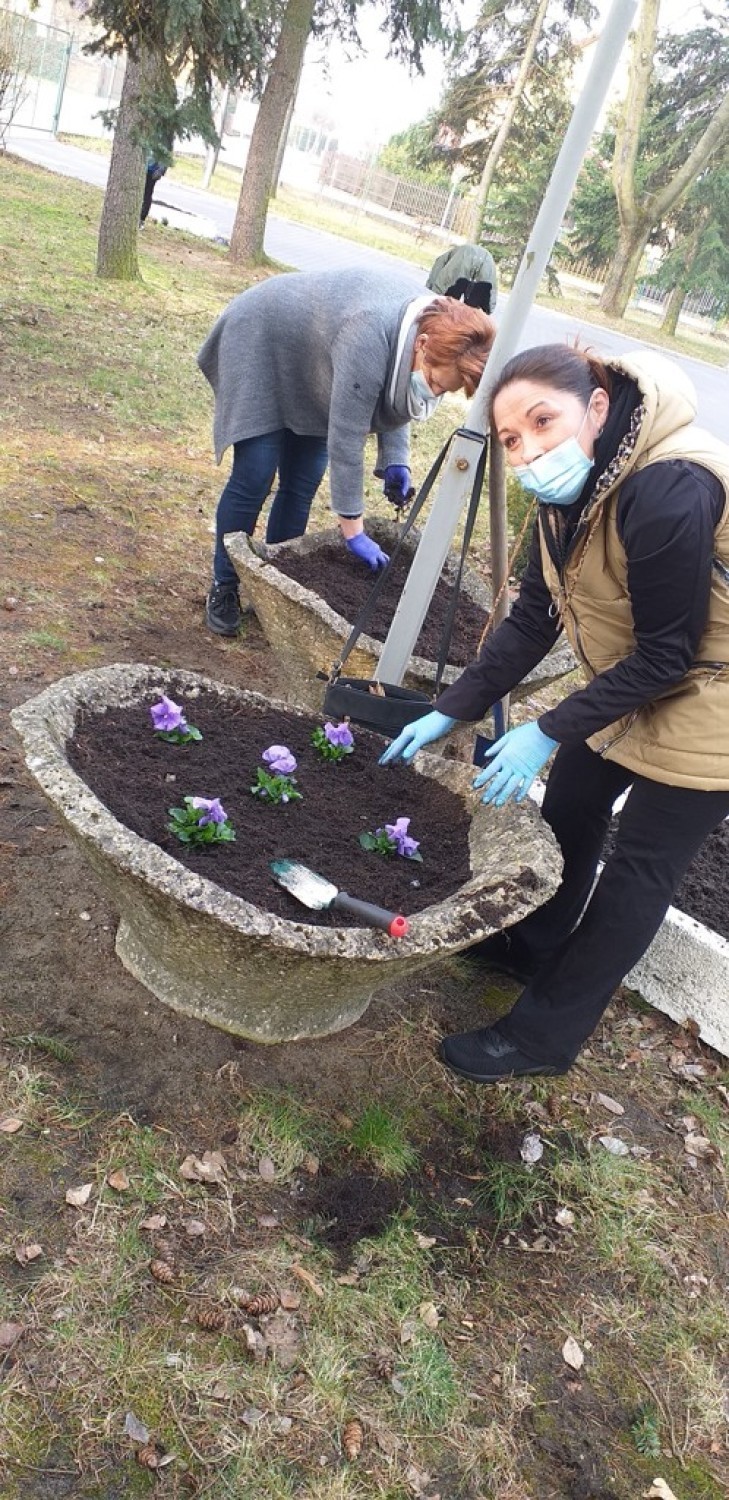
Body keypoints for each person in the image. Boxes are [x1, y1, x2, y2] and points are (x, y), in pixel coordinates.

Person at [380, 343, 729, 1082]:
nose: (531, 450)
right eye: (513, 439)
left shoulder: (668, 490)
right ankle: (528, 944)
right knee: (568, 812)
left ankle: (541, 1038)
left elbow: (669, 653)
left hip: (715, 700)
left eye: (544, 422)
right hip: (632, 678)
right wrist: (453, 708)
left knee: (637, 872)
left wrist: (545, 728)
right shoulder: (569, 492)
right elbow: (535, 616)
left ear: (596, 408)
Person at [197, 267, 495, 636]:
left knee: (303, 480)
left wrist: (395, 460)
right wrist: (352, 529)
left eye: (443, 391)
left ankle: (272, 585)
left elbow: (395, 393)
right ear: (422, 345)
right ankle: (224, 585)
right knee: (256, 471)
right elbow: (347, 438)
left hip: (314, 359)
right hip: (262, 336)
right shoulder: (369, 333)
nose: (433, 392)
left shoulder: (428, 327)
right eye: (433, 381)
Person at [426, 243, 498, 315]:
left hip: (465, 255)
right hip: (487, 261)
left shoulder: (448, 255)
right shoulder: (488, 257)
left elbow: (437, 272)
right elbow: (491, 290)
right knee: (476, 303)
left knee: (447, 298)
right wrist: (489, 309)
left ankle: (441, 315)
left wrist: (431, 290)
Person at [140, 156, 168, 225]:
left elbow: (167, 154)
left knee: (147, 195)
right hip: (142, 167)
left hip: (152, 171)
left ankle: (141, 218)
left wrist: (161, 170)